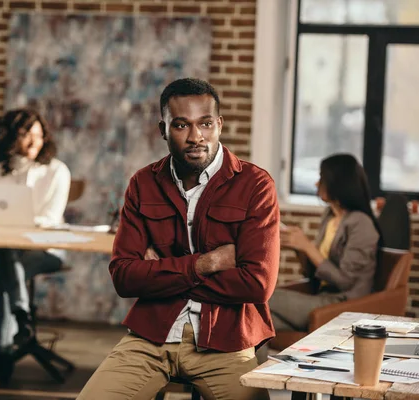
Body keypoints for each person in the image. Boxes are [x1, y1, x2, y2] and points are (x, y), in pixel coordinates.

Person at [77, 78, 279, 400]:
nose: (196, 136)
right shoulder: (143, 184)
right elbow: (124, 277)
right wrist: (208, 263)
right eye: (182, 125)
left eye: (206, 124)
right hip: (150, 337)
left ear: (220, 125)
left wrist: (161, 273)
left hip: (226, 340)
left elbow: (257, 284)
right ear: (163, 129)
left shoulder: (255, 185)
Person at [0, 108, 71, 386]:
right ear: (9, 137)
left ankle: (1, 360)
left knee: (6, 275)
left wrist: (15, 221)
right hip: (11, 250)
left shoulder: (57, 170)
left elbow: (50, 219)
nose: (34, 142)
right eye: (26, 135)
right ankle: (20, 322)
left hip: (48, 249)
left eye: (39, 135)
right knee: (8, 265)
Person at [268, 154, 382, 337]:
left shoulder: (361, 224)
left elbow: (344, 281)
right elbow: (312, 275)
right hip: (321, 297)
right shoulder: (330, 217)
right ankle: (257, 366)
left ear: (338, 183)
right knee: (257, 321)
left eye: (321, 178)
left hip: (341, 304)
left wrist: (308, 247)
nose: (316, 184)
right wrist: (300, 249)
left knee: (261, 295)